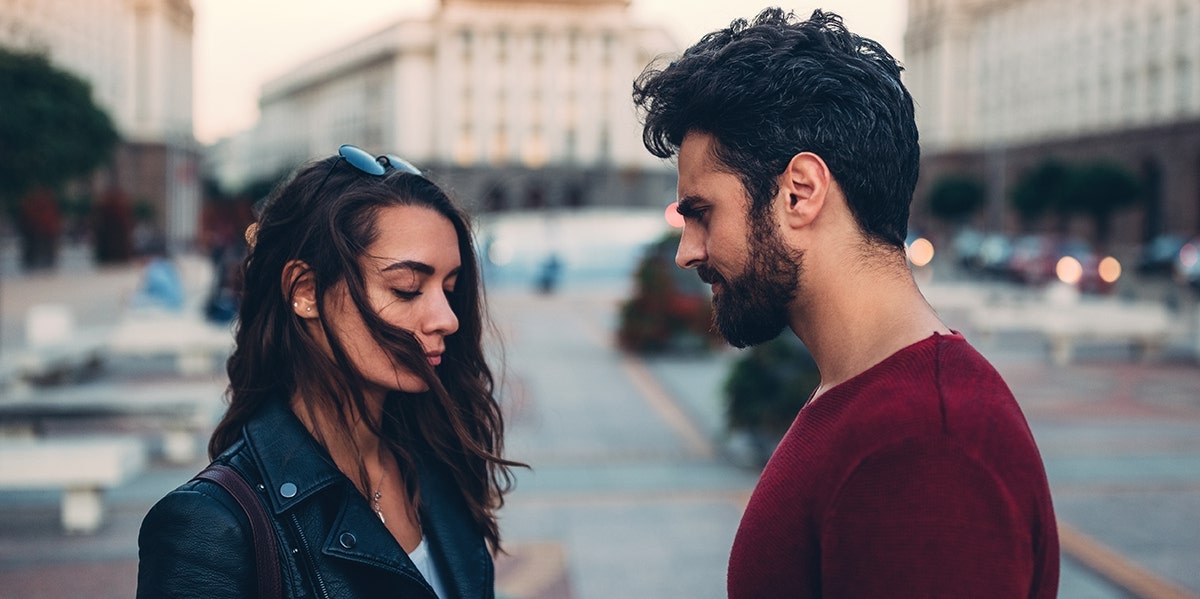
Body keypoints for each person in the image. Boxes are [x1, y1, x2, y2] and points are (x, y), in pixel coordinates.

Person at [634, 8, 1058, 598]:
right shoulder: (875, 399)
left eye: (700, 213)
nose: (687, 252)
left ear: (799, 192)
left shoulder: (927, 450)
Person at [137, 144, 523, 598]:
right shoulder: (211, 529)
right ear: (306, 291)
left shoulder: (438, 463)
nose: (447, 318)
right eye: (407, 289)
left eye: (450, 289)